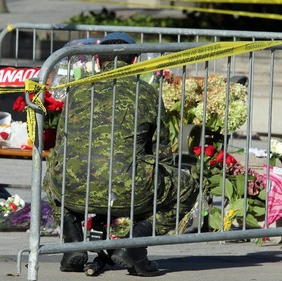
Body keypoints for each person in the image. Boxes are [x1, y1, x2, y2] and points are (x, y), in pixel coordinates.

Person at [43, 32, 199, 276]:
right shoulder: (146, 93)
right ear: (136, 61)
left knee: (53, 174)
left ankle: (73, 242)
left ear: (97, 62)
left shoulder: (76, 91)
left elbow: (62, 142)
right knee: (186, 186)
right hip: (128, 187)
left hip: (72, 187)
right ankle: (133, 245)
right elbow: (162, 153)